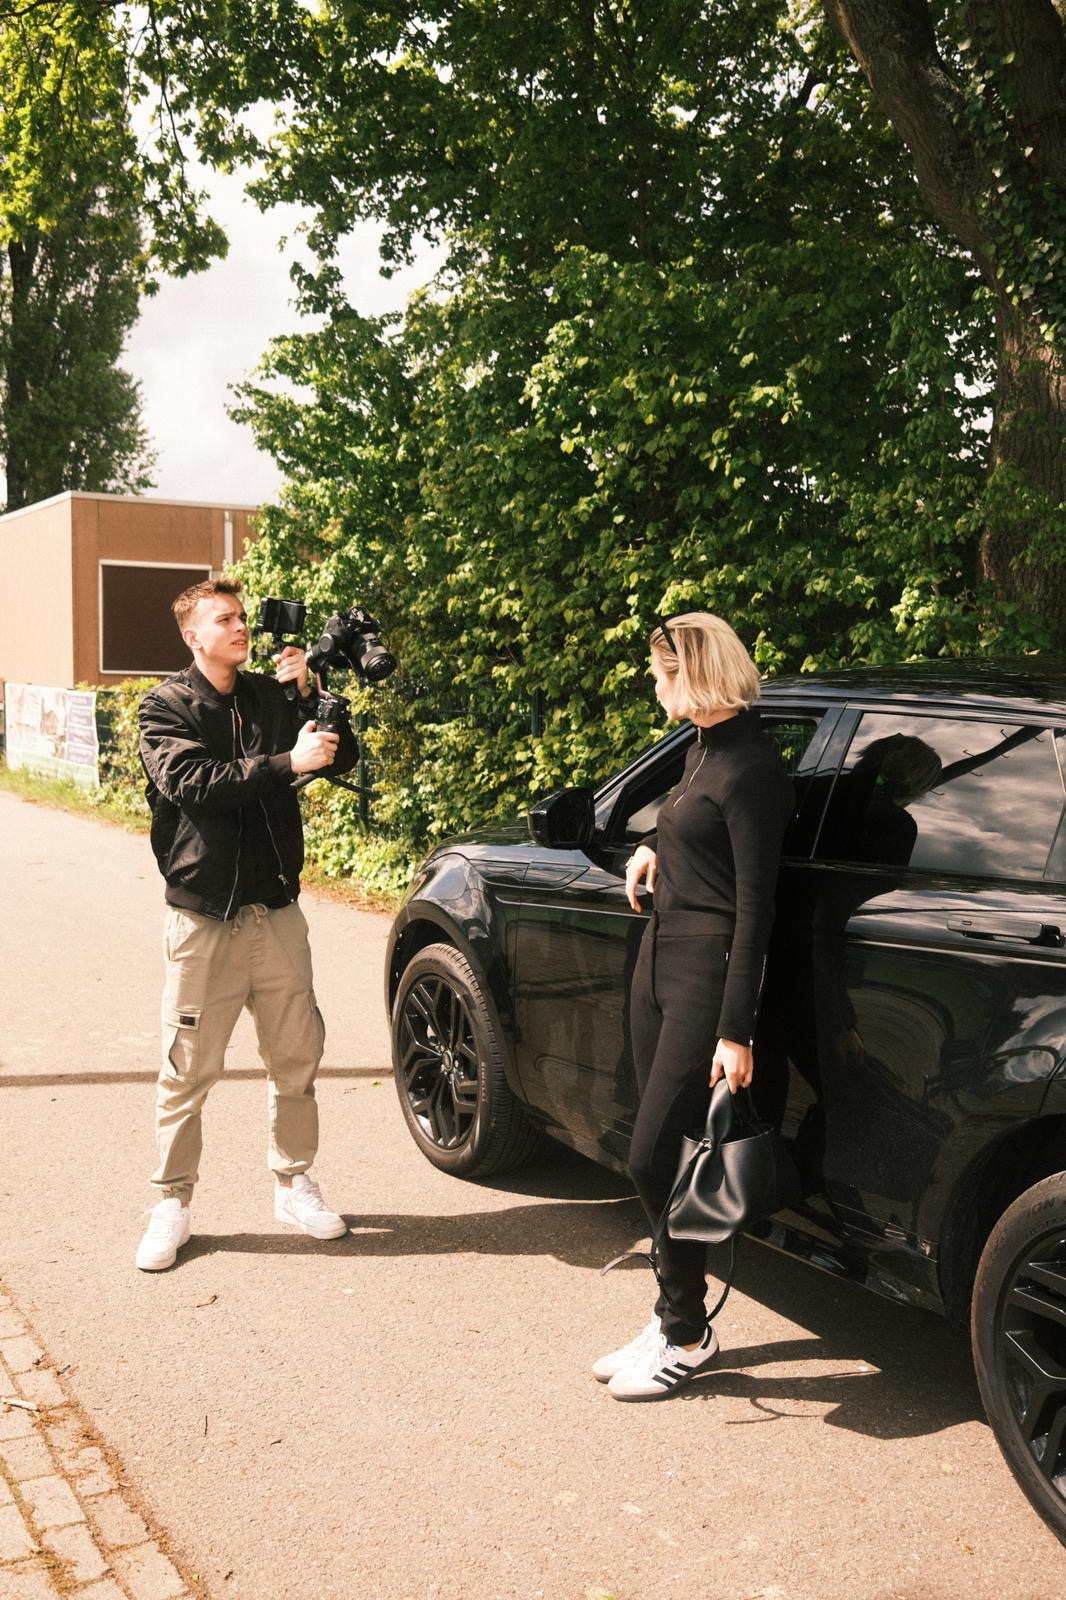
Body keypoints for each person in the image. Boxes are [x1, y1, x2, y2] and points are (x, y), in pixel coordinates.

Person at [593, 612, 794, 1399]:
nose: (653, 686)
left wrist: (735, 1031)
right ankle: (673, 1313)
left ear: (696, 674)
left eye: (660, 673)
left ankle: (687, 1333)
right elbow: (693, 822)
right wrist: (655, 845)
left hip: (707, 980)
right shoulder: (701, 747)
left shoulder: (753, 769)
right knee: (661, 1153)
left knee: (653, 1159)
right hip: (659, 964)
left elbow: (756, 908)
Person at [134, 578, 358, 1271]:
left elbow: (339, 757)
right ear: (191, 636)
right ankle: (173, 1202)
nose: (239, 627)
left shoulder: (270, 694)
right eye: (223, 619)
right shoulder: (164, 705)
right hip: (204, 915)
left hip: (276, 910)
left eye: (241, 617)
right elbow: (194, 784)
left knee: (296, 1055)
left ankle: (293, 1183)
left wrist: (312, 700)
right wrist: (287, 760)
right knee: (188, 1068)